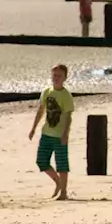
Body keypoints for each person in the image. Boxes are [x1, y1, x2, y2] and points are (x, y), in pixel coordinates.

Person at [28, 64, 74, 200]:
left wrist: (65, 134)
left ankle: (64, 192)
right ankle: (58, 183)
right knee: (41, 161)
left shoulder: (66, 96)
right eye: (54, 75)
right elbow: (40, 111)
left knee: (62, 164)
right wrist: (33, 128)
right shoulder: (46, 92)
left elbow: (68, 117)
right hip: (46, 133)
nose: (56, 78)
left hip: (60, 136)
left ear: (65, 78)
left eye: (59, 76)